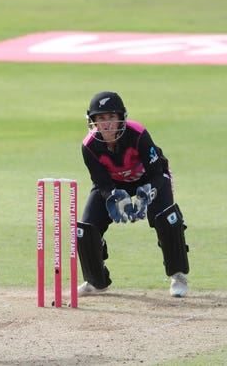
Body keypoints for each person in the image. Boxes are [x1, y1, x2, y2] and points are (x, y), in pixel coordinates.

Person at [76, 91, 190, 298]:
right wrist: (114, 195)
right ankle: (95, 280)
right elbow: (101, 182)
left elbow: (157, 172)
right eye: (101, 119)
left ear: (121, 117)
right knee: (85, 229)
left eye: (111, 117)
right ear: (93, 121)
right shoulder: (89, 146)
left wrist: (146, 194)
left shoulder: (137, 134)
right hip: (114, 183)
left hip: (150, 179)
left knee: (166, 218)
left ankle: (178, 275)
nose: (107, 124)